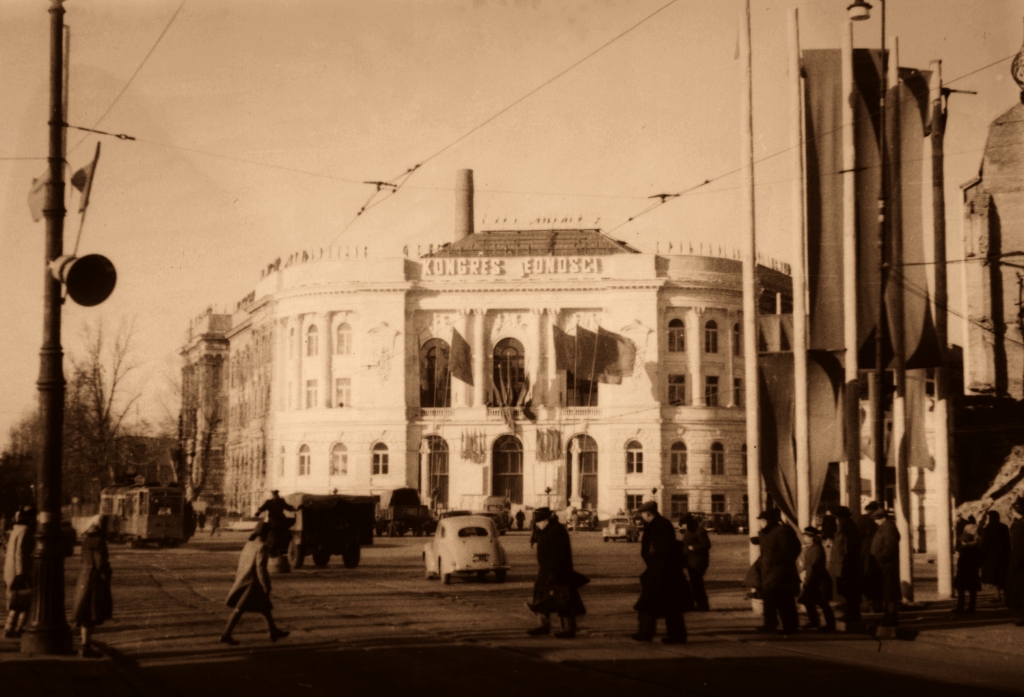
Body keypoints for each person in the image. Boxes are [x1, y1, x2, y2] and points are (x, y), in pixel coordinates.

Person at [632, 501, 692, 644]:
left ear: (648, 513)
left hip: (663, 572)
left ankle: (653, 634)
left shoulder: (660, 525)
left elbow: (661, 550)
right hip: (661, 571)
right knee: (663, 605)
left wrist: (654, 570)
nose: (641, 517)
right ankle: (653, 633)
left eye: (642, 514)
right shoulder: (656, 524)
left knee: (659, 605)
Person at [221, 521, 289, 645]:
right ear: (267, 533)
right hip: (253, 584)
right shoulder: (262, 546)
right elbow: (261, 568)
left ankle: (274, 631)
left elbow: (242, 563)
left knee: (265, 608)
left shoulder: (249, 543)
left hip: (244, 579)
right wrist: (266, 585)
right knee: (240, 609)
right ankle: (226, 634)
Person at [526, 508, 588, 638]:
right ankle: (543, 626)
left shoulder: (556, 531)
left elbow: (559, 554)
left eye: (538, 522)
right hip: (546, 571)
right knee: (542, 600)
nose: (537, 524)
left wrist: (554, 573)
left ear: (546, 520)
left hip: (557, 572)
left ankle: (568, 629)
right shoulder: (548, 530)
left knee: (563, 601)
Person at [72, 515, 113, 658]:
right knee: (91, 613)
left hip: (84, 578)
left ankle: (85, 645)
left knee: (85, 613)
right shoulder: (99, 541)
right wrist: (107, 575)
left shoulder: (86, 540)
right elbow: (101, 562)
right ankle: (85, 647)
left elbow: (83, 560)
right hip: (94, 580)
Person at [755, 508, 801, 635]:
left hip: (780, 573)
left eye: (762, 520)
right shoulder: (766, 533)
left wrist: (772, 560)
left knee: (784, 600)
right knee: (770, 599)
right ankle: (771, 623)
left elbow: (789, 551)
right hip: (769, 572)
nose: (760, 523)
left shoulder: (781, 532)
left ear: (769, 521)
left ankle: (789, 626)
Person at [3, 507, 36, 639]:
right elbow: (20, 553)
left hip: (10, 570)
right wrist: (22, 573)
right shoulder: (26, 530)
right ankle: (18, 629)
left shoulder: (16, 529)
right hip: (19, 572)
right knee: (25, 603)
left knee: (15, 602)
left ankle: (9, 628)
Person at [799, 526, 836, 632]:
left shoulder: (816, 548)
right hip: (814, 578)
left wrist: (808, 580)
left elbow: (813, 566)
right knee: (809, 601)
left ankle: (830, 624)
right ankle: (814, 621)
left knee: (822, 602)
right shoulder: (812, 547)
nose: (804, 538)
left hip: (818, 580)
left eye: (806, 536)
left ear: (811, 537)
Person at [829, 506, 862, 623]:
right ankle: (850, 615)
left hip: (846, 566)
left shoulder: (847, 528)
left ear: (840, 517)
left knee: (850, 592)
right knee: (846, 593)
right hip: (843, 564)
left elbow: (848, 549)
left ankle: (853, 617)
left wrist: (845, 566)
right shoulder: (844, 527)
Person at [870, 507, 901, 628]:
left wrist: (880, 558)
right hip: (884, 565)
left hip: (888, 565)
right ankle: (887, 616)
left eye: (877, 519)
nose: (875, 522)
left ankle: (891, 617)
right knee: (887, 592)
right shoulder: (884, 527)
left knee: (890, 592)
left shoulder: (889, 528)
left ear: (883, 518)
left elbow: (890, 547)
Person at [680, 514, 711, 612]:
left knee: (697, 584)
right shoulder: (689, 531)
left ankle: (702, 604)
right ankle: (700, 604)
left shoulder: (699, 530)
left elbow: (706, 544)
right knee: (695, 583)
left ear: (688, 523)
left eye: (683, 524)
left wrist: (693, 548)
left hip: (698, 562)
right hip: (691, 562)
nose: (682, 526)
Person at [953, 516, 983, 613]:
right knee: (972, 591)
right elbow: (979, 561)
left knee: (961, 590)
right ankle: (971, 608)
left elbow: (960, 562)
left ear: (964, 541)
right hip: (973, 572)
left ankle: (960, 607)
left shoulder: (965, 549)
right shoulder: (976, 549)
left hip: (963, 572)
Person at [980, 509, 1011, 603]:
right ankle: (1007, 597)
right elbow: (1008, 542)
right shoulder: (1004, 527)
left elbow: (985, 544)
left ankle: (997, 596)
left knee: (994, 577)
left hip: (992, 557)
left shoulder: (988, 528)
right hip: (1003, 555)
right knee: (1003, 576)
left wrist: (982, 556)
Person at [858, 501, 883, 613]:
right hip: (878, 550)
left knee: (865, 574)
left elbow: (859, 534)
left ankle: (869, 603)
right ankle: (877, 603)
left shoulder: (863, 519)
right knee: (877, 576)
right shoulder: (882, 519)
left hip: (866, 549)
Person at [256, 490, 296, 555]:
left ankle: (286, 546)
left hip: (281, 519)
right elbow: (262, 508)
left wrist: (295, 509)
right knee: (274, 532)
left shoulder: (281, 501)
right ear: (272, 495)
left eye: (276, 495)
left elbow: (288, 507)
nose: (275, 496)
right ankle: (272, 549)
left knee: (289, 528)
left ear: (277, 495)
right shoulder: (269, 502)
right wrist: (258, 512)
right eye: (274, 495)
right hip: (273, 520)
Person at [1006, 498, 1024, 626]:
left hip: (1020, 564)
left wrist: (1014, 565)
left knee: (1021, 591)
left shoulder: (1018, 525)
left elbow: (1018, 547)